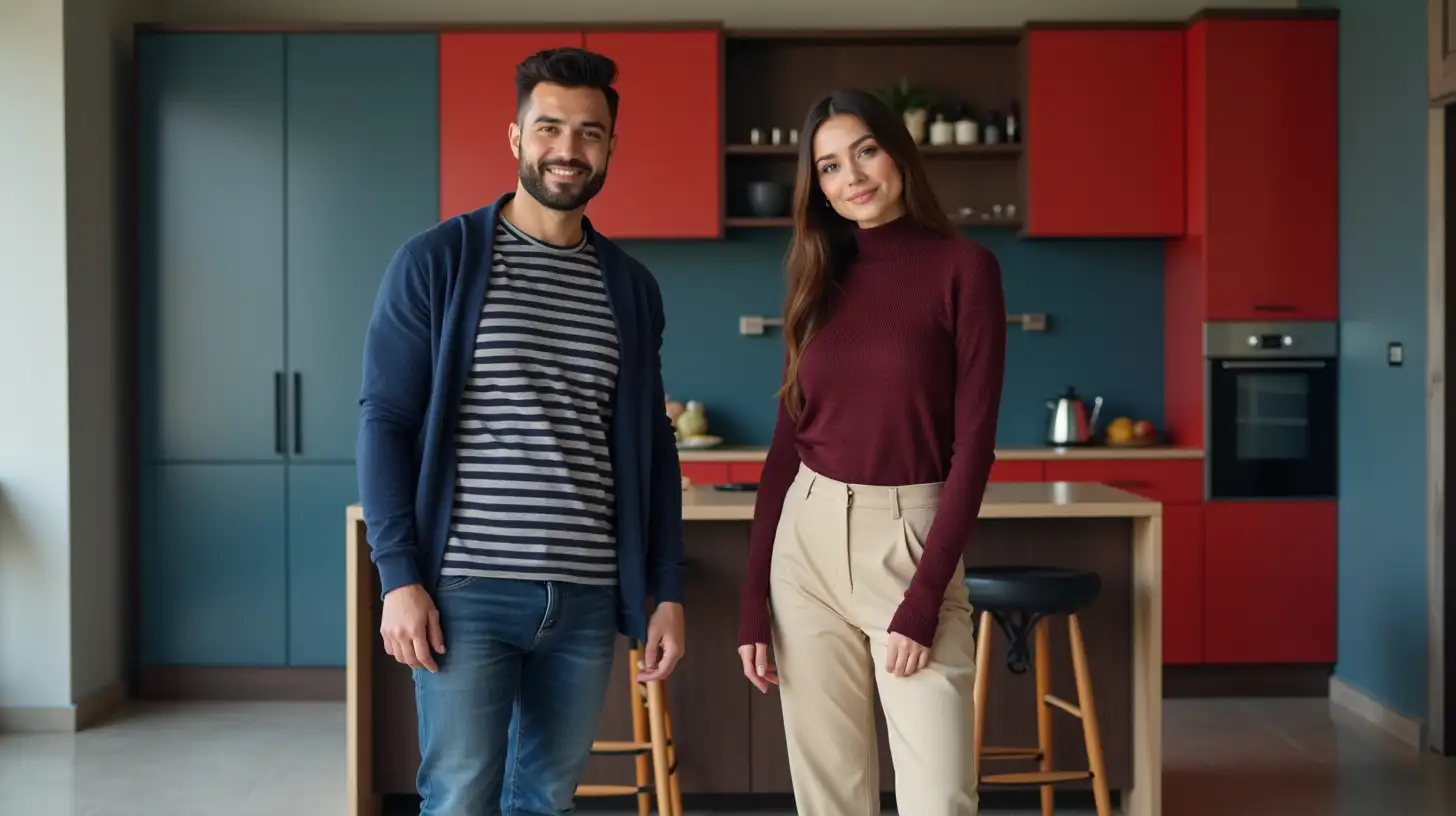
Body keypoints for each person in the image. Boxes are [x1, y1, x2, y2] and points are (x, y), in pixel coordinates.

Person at [357, 47, 686, 816]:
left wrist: (663, 588)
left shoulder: (630, 289)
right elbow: (386, 421)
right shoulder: (437, 262)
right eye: (549, 128)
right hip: (466, 590)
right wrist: (399, 576)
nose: (567, 149)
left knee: (546, 798)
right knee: (460, 796)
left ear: (610, 146)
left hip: (585, 595)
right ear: (515, 138)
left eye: (589, 133)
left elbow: (653, 449)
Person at [735, 88, 1007, 816]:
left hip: (910, 539)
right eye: (827, 167)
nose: (850, 177)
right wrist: (753, 599)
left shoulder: (965, 268)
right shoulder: (817, 274)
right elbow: (786, 446)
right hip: (807, 545)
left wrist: (922, 600)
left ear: (897, 154)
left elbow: (974, 448)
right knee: (829, 798)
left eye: (864, 152)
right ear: (815, 186)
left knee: (940, 795)